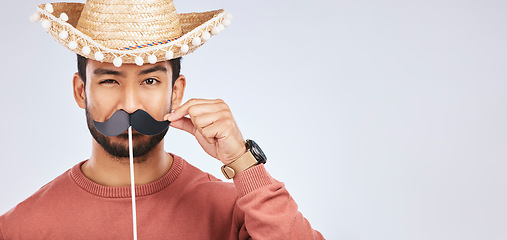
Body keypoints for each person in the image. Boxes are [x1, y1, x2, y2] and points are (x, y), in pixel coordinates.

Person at [0, 0, 324, 239]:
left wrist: (242, 161)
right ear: (81, 91)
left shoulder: (235, 214)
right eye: (110, 80)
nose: (129, 104)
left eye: (150, 81)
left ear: (176, 92)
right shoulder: (20, 228)